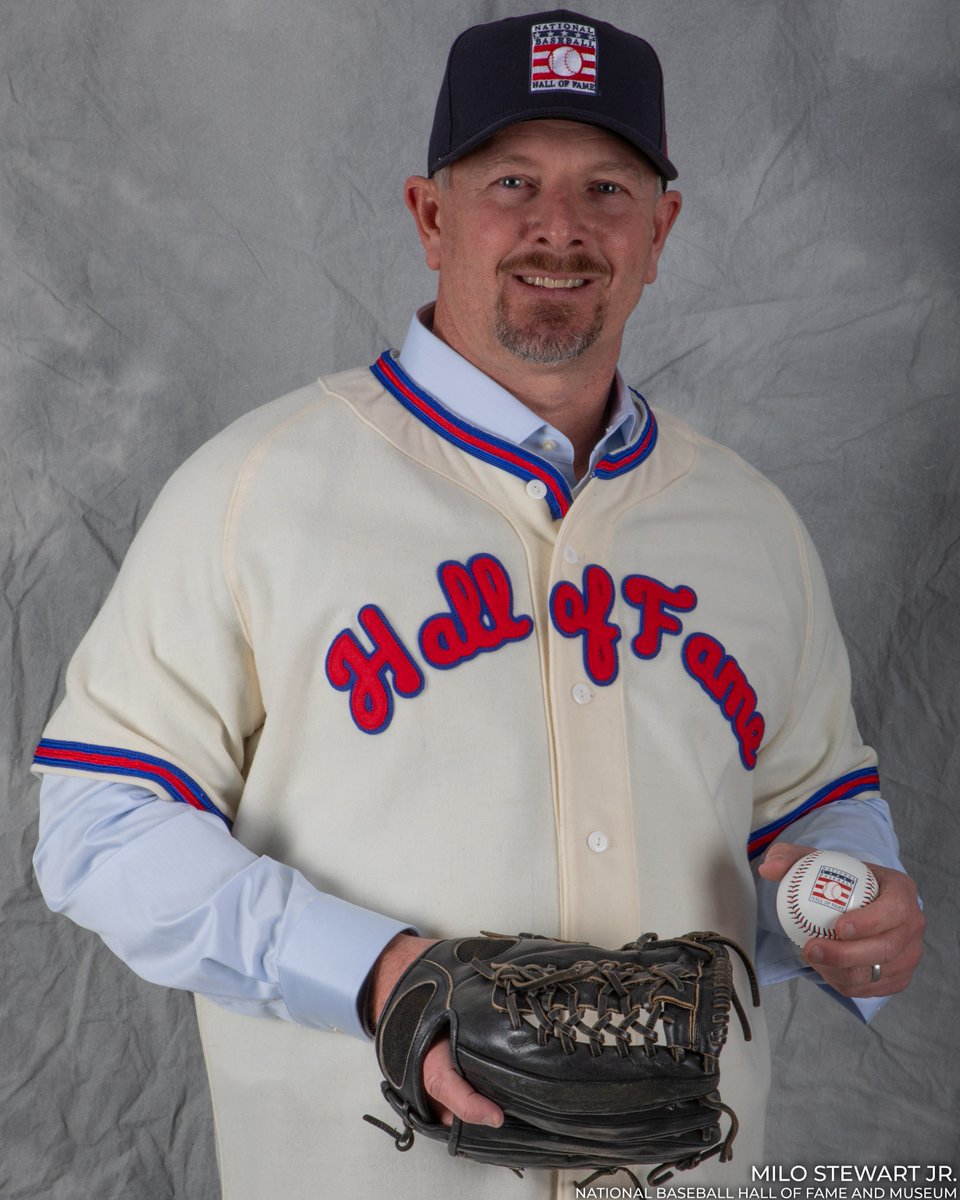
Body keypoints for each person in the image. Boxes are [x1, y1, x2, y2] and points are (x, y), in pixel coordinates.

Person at [32, 10, 923, 1199]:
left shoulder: (752, 525)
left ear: (660, 231)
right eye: (514, 179)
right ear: (430, 215)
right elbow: (100, 819)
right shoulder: (257, 488)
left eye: (608, 187)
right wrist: (378, 972)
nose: (560, 226)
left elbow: (814, 805)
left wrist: (852, 909)